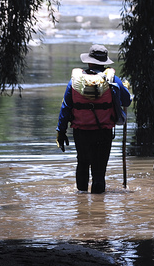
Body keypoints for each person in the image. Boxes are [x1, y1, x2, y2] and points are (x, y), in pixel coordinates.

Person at [56, 44, 132, 194]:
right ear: (104, 62)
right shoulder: (112, 80)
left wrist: (61, 131)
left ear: (88, 62)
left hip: (80, 132)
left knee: (82, 164)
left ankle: (81, 203)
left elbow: (65, 107)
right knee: (99, 171)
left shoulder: (75, 81)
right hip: (103, 132)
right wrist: (125, 88)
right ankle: (99, 209)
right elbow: (127, 101)